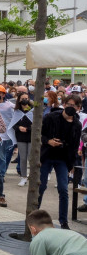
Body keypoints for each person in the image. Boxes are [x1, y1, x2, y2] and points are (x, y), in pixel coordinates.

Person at [38, 94, 82, 230]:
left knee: (63, 189)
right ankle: (34, 217)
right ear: (63, 104)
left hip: (63, 159)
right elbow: (39, 133)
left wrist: (71, 164)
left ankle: (63, 222)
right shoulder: (51, 117)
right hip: (47, 156)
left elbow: (74, 146)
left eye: (74, 105)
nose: (70, 107)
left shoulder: (77, 124)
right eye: (68, 104)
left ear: (79, 108)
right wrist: (49, 141)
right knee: (41, 186)